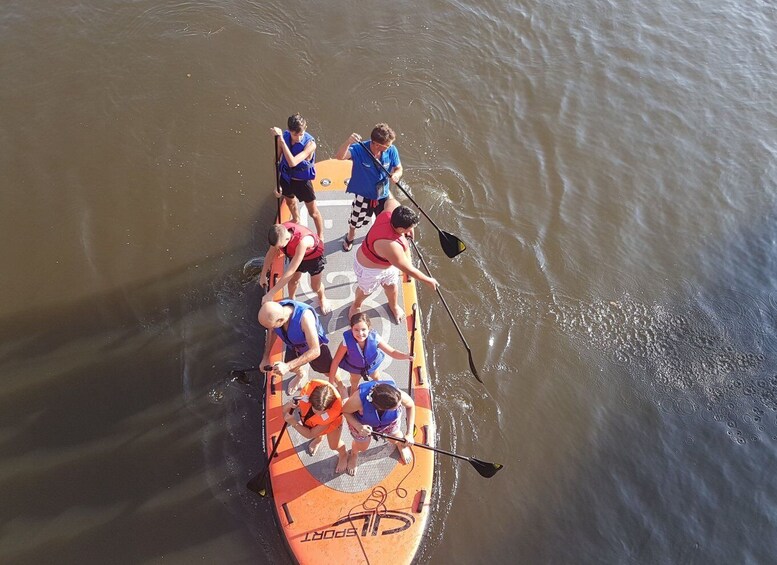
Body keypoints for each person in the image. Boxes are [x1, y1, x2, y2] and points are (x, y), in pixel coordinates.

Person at [350, 205, 438, 323]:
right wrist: (428, 280)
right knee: (366, 291)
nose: (412, 229)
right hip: (369, 269)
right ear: (401, 229)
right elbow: (408, 269)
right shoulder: (391, 246)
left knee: (392, 287)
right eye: (410, 228)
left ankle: (394, 306)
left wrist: (409, 230)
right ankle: (356, 305)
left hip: (387, 266)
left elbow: (390, 201)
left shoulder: (388, 213)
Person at [334, 123, 402, 252]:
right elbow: (340, 157)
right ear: (376, 144)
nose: (390, 147)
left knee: (385, 219)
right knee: (356, 218)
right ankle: (351, 235)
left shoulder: (391, 150)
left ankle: (376, 239)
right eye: (387, 145)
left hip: (382, 193)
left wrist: (397, 175)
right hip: (363, 193)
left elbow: (398, 168)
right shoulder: (359, 149)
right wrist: (348, 142)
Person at [341, 378, 415, 476]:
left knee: (396, 437)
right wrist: (358, 427)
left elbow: (410, 406)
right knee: (362, 447)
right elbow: (345, 411)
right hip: (362, 425)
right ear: (381, 408)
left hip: (389, 423)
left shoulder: (396, 394)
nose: (399, 406)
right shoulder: (358, 400)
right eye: (396, 407)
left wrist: (409, 434)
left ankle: (400, 445)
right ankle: (354, 454)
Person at [258, 299, 333, 395]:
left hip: (313, 347)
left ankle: (340, 386)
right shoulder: (277, 314)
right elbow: (272, 332)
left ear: (280, 320)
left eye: (271, 326)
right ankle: (301, 374)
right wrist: (266, 357)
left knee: (328, 371)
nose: (270, 329)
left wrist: (287, 366)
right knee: (292, 367)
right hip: (293, 345)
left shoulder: (305, 318)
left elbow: (315, 350)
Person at [329, 312, 413, 395]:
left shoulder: (375, 338)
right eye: (356, 330)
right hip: (354, 369)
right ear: (351, 329)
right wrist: (330, 382)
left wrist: (406, 356)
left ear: (369, 329)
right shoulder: (346, 342)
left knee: (377, 379)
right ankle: (353, 400)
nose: (360, 333)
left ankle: (379, 397)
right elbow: (336, 361)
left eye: (363, 329)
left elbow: (392, 352)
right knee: (354, 386)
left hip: (371, 366)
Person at [271, 113, 324, 238]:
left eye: (301, 134)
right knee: (290, 202)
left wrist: (282, 141)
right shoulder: (283, 138)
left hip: (302, 182)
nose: (299, 138)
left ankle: (321, 235)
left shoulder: (311, 144)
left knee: (313, 212)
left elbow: (293, 162)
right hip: (286, 178)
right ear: (289, 131)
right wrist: (277, 184)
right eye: (295, 135)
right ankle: (296, 219)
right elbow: (277, 161)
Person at [259, 221, 331, 314]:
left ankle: (322, 298)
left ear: (286, 239)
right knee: (293, 281)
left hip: (313, 259)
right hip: (295, 255)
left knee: (315, 287)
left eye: (280, 247)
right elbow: (270, 253)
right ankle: (292, 300)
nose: (278, 248)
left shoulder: (302, 242)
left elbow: (291, 271)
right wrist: (263, 274)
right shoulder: (279, 233)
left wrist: (270, 294)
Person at [283, 379, 348, 473]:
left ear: (329, 408)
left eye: (322, 412)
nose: (318, 414)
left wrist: (294, 423)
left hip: (331, 425)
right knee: (316, 429)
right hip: (313, 423)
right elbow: (283, 411)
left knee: (334, 445)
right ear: (310, 400)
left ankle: (343, 454)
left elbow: (310, 434)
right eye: (315, 409)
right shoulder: (305, 397)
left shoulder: (331, 415)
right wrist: (289, 404)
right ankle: (319, 438)